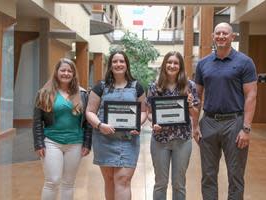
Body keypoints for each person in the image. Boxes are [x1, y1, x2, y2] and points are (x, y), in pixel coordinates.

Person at [194, 22, 257, 200]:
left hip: (234, 123)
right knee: (208, 175)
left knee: (235, 175)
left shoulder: (245, 62)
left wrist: (246, 128)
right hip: (209, 122)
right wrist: (195, 126)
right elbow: (196, 96)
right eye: (218, 33)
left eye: (225, 33)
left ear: (232, 37)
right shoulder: (203, 64)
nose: (221, 36)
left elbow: (251, 96)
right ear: (213, 37)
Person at [85, 51, 147, 200]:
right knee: (110, 180)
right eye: (115, 61)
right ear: (110, 65)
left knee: (123, 180)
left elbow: (144, 111)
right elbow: (89, 112)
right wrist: (100, 125)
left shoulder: (137, 87)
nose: (118, 64)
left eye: (122, 61)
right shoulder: (100, 87)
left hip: (128, 139)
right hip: (104, 139)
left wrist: (137, 124)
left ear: (126, 65)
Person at [33, 58, 92, 200]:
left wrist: (87, 143)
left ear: (73, 74)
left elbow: (88, 122)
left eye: (69, 71)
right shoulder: (44, 93)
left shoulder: (83, 94)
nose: (66, 73)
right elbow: (36, 121)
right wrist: (39, 143)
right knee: (52, 181)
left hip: (75, 143)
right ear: (56, 72)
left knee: (69, 183)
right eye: (63, 70)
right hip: (51, 142)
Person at [146, 51, 200, 200]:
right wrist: (154, 122)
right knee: (160, 183)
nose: (172, 65)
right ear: (164, 65)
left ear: (180, 66)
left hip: (182, 141)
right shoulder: (154, 87)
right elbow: (149, 113)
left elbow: (195, 115)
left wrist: (189, 105)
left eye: (176, 63)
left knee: (179, 184)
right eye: (169, 62)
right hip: (159, 140)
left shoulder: (190, 86)